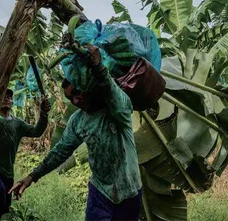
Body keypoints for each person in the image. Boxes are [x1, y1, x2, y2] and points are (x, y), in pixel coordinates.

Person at [9, 45, 142, 220]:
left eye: (77, 93)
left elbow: (115, 95)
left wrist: (98, 67)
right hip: (100, 193)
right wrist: (33, 176)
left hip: (130, 192)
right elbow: (61, 151)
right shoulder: (78, 121)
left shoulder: (116, 110)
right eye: (70, 98)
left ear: (88, 87)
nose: (76, 100)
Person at [0, 89, 51, 220]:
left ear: (12, 102)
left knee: (4, 206)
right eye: (3, 96)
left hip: (8, 169)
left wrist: (44, 114)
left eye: (9, 97)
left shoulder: (17, 123)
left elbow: (37, 131)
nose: (6, 98)